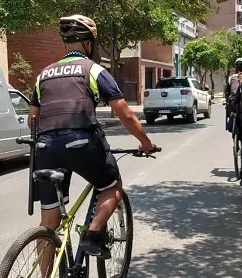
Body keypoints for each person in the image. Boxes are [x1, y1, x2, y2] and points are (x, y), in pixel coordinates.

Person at [28, 14, 157, 259]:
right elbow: (126, 113)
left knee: (48, 224)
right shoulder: (93, 70)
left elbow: (32, 120)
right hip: (81, 143)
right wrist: (146, 143)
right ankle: (93, 233)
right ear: (89, 44)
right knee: (111, 186)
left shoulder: (43, 74)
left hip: (44, 147)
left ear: (65, 43)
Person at [225, 57, 242, 132]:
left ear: (236, 67)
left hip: (233, 100)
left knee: (231, 112)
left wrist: (227, 99)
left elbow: (228, 91)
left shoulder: (231, 77)